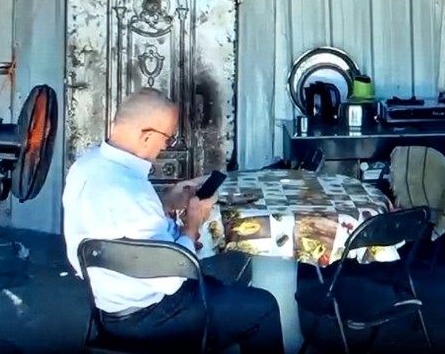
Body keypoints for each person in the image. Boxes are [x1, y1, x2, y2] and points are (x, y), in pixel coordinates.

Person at [64, 88, 284, 354]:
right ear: (146, 136)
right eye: (167, 138)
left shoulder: (84, 167)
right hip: (150, 319)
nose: (166, 146)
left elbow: (120, 223)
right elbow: (172, 279)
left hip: (105, 310)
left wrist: (166, 203)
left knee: (217, 289)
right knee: (262, 306)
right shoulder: (133, 191)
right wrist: (193, 222)